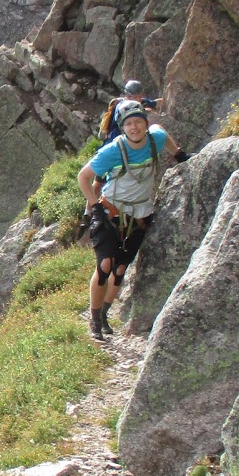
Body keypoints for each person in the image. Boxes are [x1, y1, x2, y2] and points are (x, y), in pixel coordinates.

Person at [77, 100, 174, 340]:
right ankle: (95, 320)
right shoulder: (113, 150)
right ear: (122, 127)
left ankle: (104, 315)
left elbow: (163, 133)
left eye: (138, 122)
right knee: (105, 265)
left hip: (140, 215)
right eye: (129, 124)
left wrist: (180, 154)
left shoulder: (155, 139)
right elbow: (84, 177)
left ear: (145, 123)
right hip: (110, 212)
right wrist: (95, 208)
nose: (134, 127)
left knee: (120, 269)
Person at [97, 79, 162, 145]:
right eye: (135, 97)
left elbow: (155, 103)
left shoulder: (140, 102)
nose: (138, 99)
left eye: (140, 96)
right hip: (115, 136)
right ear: (128, 97)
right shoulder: (121, 107)